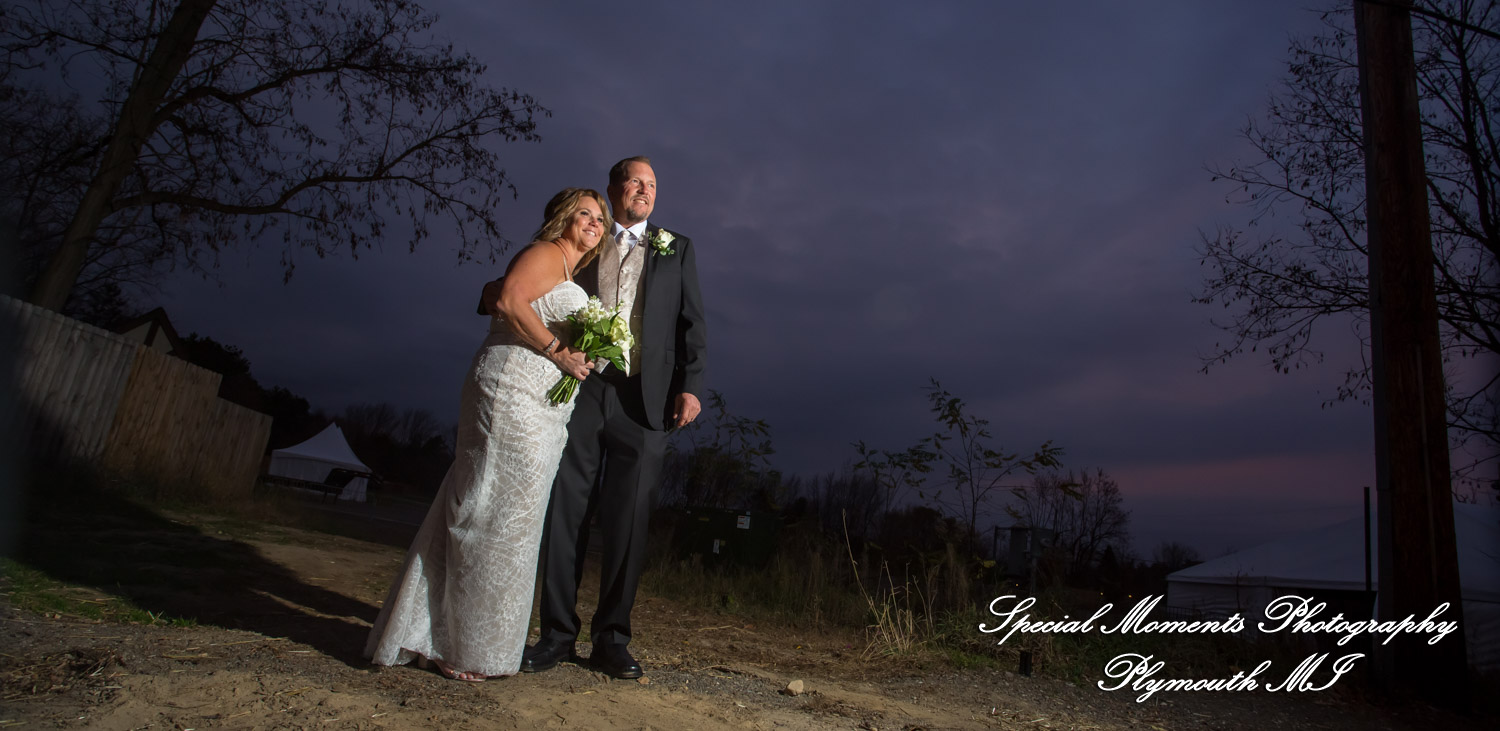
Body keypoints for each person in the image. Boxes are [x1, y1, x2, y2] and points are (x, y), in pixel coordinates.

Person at [365, 188, 609, 681]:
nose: (595, 222)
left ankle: (446, 636)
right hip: (510, 392)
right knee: (487, 511)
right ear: (563, 217)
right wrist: (559, 351)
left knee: (511, 521)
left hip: (542, 407)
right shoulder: (546, 252)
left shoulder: (568, 272)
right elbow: (507, 299)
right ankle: (456, 646)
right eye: (584, 213)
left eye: (600, 218)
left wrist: (587, 353)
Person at [479, 156, 707, 679]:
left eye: (653, 184)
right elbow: (533, 277)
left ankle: (611, 640)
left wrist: (691, 386)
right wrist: (497, 292)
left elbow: (692, 323)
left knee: (629, 520)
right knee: (565, 510)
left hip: (646, 401)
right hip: (579, 389)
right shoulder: (587, 237)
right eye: (636, 182)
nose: (645, 190)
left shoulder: (677, 248)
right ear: (613, 188)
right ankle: (557, 634)